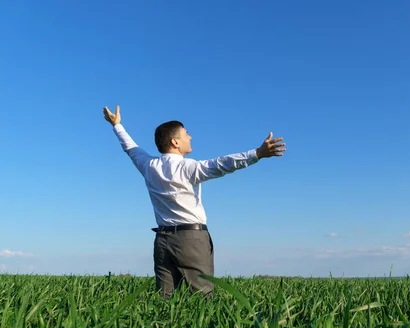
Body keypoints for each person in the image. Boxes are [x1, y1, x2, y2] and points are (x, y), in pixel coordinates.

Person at [103, 105, 286, 299]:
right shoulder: (187, 168)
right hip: (191, 240)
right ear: (175, 142)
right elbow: (222, 164)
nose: (190, 137)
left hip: (162, 241)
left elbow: (131, 148)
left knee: (164, 301)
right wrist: (256, 154)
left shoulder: (149, 166)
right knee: (202, 301)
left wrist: (117, 125)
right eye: (186, 134)